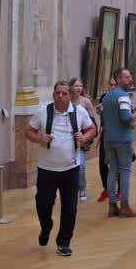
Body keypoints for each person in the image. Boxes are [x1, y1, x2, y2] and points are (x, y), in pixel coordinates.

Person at [25, 81, 96, 256]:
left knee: (70, 207)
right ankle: (46, 226)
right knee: (43, 203)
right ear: (53, 95)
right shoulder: (43, 112)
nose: (61, 96)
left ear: (70, 96)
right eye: (58, 93)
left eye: (64, 93)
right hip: (46, 169)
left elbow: (92, 129)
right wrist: (39, 138)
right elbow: (28, 131)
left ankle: (64, 242)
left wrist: (84, 136)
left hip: (70, 168)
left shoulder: (79, 112)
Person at [101, 68, 136, 217]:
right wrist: (135, 116)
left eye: (129, 76)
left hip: (109, 138)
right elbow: (125, 117)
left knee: (112, 171)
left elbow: (104, 118)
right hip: (122, 139)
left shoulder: (106, 97)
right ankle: (124, 205)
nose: (130, 79)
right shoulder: (123, 96)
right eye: (126, 77)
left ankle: (112, 205)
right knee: (125, 171)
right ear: (117, 80)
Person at [70, 78, 96, 202]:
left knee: (81, 166)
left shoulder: (86, 102)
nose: (79, 88)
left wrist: (85, 137)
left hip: (81, 139)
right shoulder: (67, 101)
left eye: (80, 85)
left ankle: (82, 187)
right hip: (67, 138)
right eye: (76, 86)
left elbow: (92, 122)